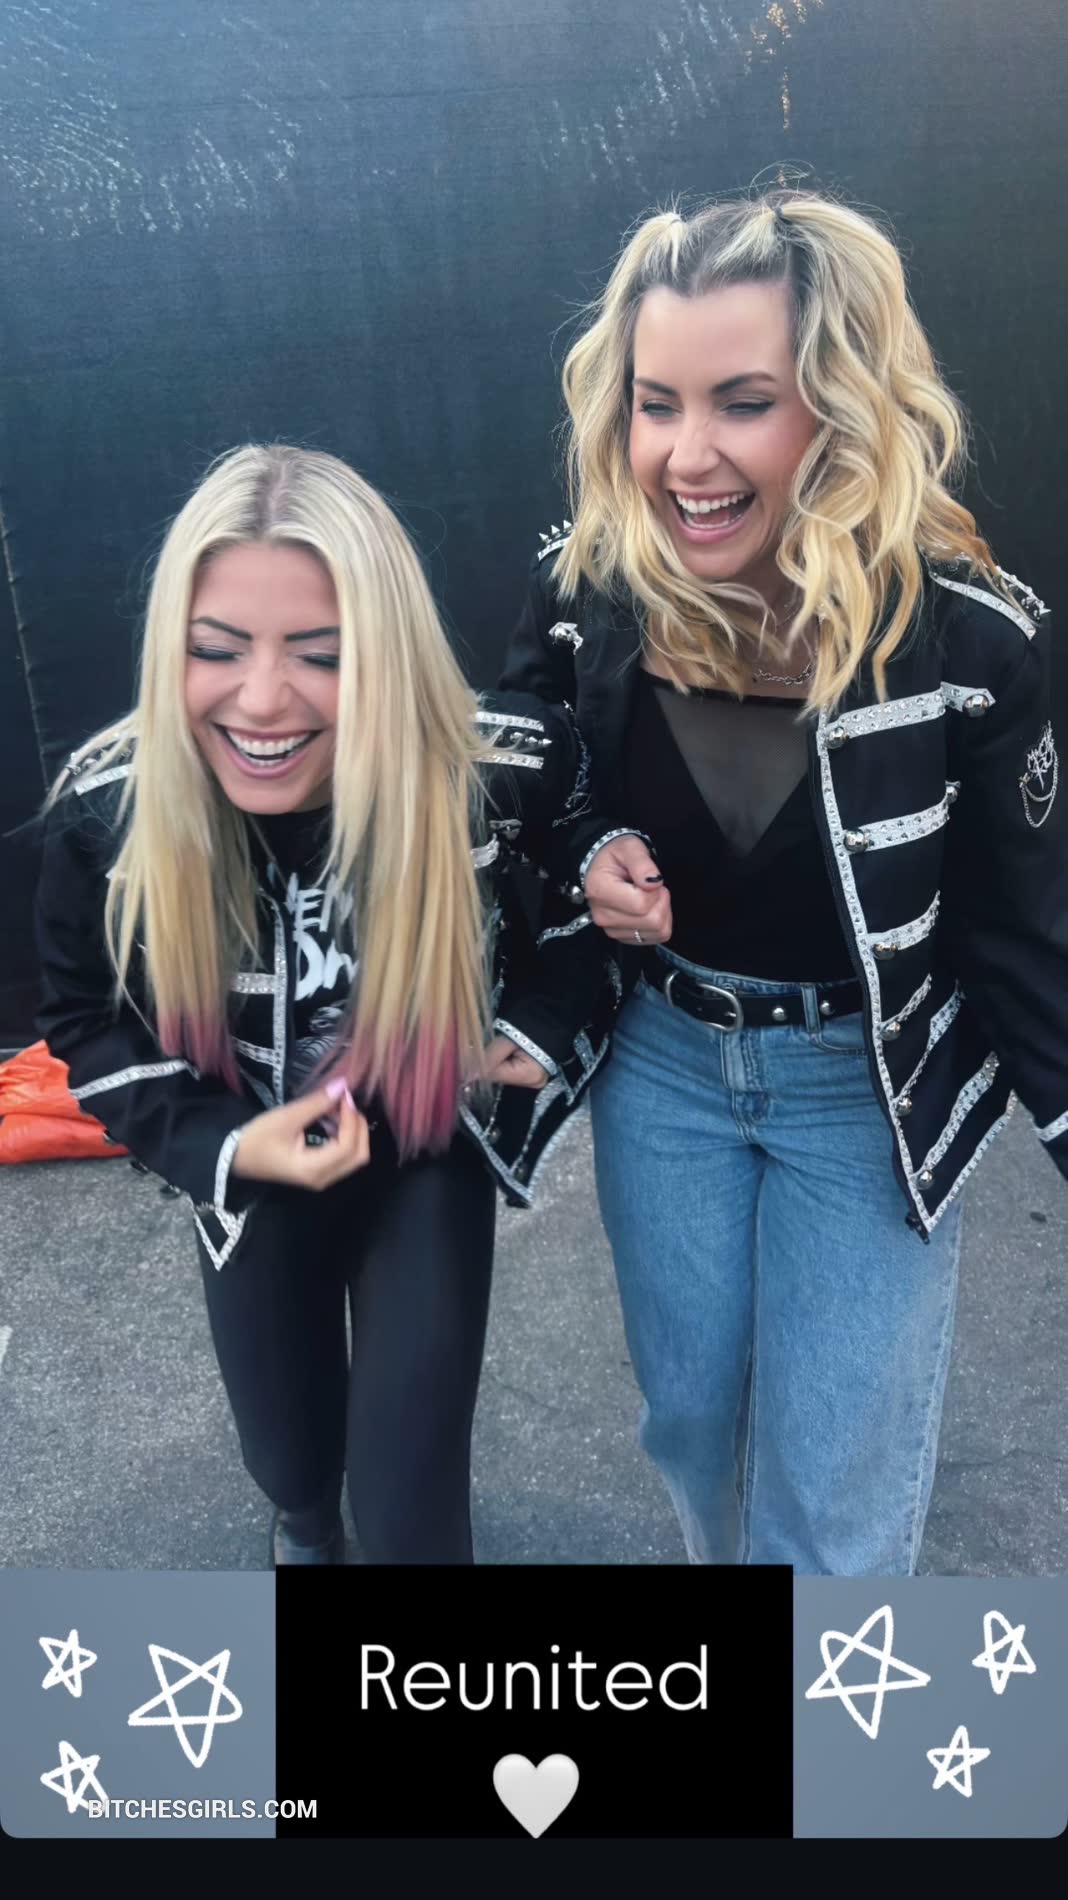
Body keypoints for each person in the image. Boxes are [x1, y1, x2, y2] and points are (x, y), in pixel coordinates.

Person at [499, 190, 1068, 1573]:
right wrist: (588, 850)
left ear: (838, 406)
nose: (685, 454)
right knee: (692, 1429)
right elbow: (534, 766)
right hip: (664, 1065)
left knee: (829, 1500)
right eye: (656, 404)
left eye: (742, 402)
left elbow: (1028, 933)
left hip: (865, 1090)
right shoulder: (590, 589)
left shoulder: (969, 642)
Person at [34, 443, 615, 1566]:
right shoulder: (107, 811)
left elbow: (596, 868)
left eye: (322, 654)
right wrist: (220, 1142)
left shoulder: (489, 768)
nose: (262, 698)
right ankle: (303, 1525)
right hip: (248, 1161)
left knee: (409, 1519)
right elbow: (83, 1017)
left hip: (423, 1151)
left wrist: (540, 1029)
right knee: (293, 1468)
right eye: (216, 649)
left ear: (386, 652)